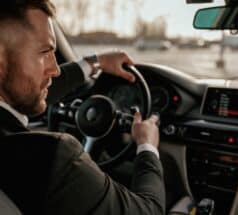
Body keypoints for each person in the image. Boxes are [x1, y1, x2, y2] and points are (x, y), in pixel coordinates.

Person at [0, 1, 165, 215]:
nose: (56, 70)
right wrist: (147, 146)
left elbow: (19, 83)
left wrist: (96, 63)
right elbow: (149, 211)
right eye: (44, 52)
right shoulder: (52, 157)